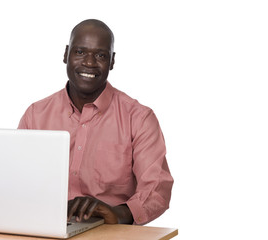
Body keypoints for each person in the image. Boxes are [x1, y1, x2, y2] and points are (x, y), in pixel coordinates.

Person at [18, 19, 173, 225]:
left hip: (109, 231)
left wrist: (118, 214)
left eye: (100, 55)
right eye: (80, 52)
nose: (89, 63)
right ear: (66, 54)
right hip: (43, 227)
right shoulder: (35, 115)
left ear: (112, 61)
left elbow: (157, 188)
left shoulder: (139, 118)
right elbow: (16, 180)